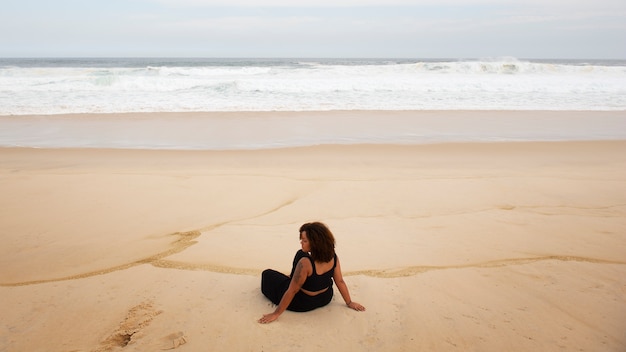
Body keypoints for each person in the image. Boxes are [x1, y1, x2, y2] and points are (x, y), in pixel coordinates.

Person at [259, 222, 365, 324]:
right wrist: (349, 302)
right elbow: (340, 281)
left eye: (304, 241)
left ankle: (292, 278)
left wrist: (276, 314)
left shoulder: (305, 263)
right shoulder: (333, 256)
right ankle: (293, 277)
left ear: (315, 243)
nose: (301, 242)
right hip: (325, 297)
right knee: (301, 254)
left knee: (267, 274)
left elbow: (292, 290)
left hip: (303, 303)